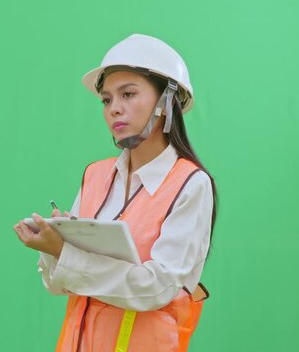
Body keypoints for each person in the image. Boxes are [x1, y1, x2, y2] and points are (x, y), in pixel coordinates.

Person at [14, 33, 218, 352]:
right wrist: (54, 247)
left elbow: (156, 288)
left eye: (128, 94)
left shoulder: (190, 184)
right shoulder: (95, 175)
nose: (114, 109)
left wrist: (67, 254)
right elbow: (59, 285)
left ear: (167, 103)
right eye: (107, 99)